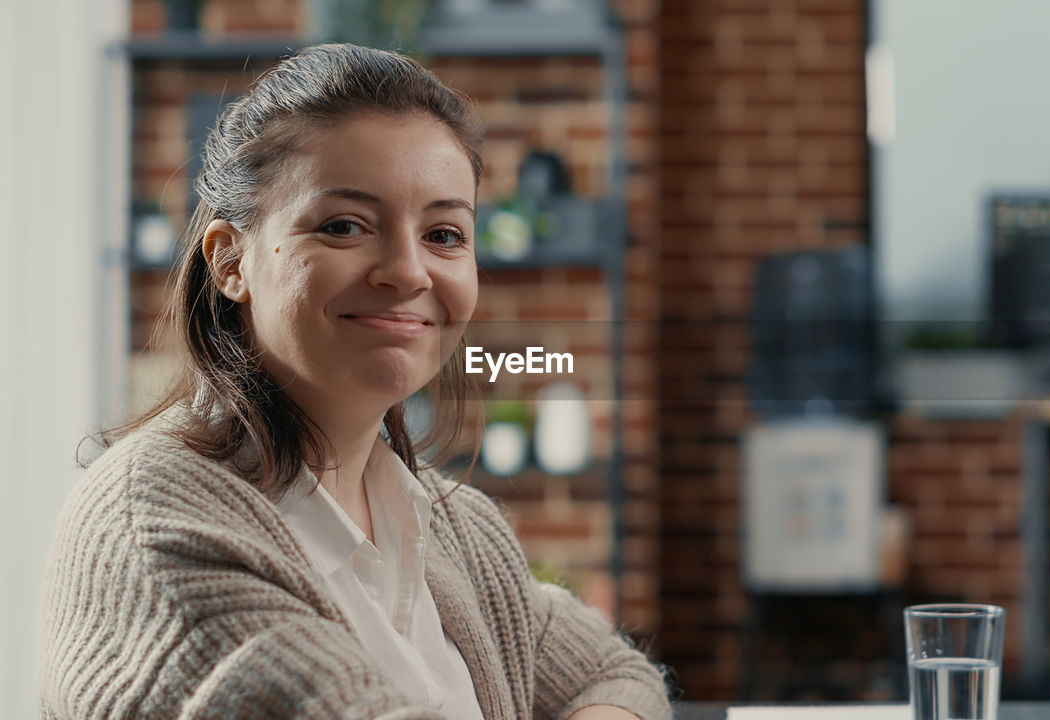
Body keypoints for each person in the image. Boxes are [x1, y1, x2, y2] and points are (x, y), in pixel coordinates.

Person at [36, 43, 671, 720]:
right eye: (345, 226)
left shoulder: (456, 527)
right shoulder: (154, 525)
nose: (408, 271)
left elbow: (613, 674)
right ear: (230, 262)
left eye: (446, 234)